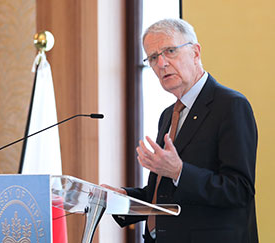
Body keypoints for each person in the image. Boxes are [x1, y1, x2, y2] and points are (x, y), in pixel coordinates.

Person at [105, 18, 258, 243]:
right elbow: (164, 194)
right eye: (154, 57)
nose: (162, 63)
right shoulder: (169, 114)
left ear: (195, 52)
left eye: (170, 51)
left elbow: (239, 190)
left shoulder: (231, 105)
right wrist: (122, 198)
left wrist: (179, 172)